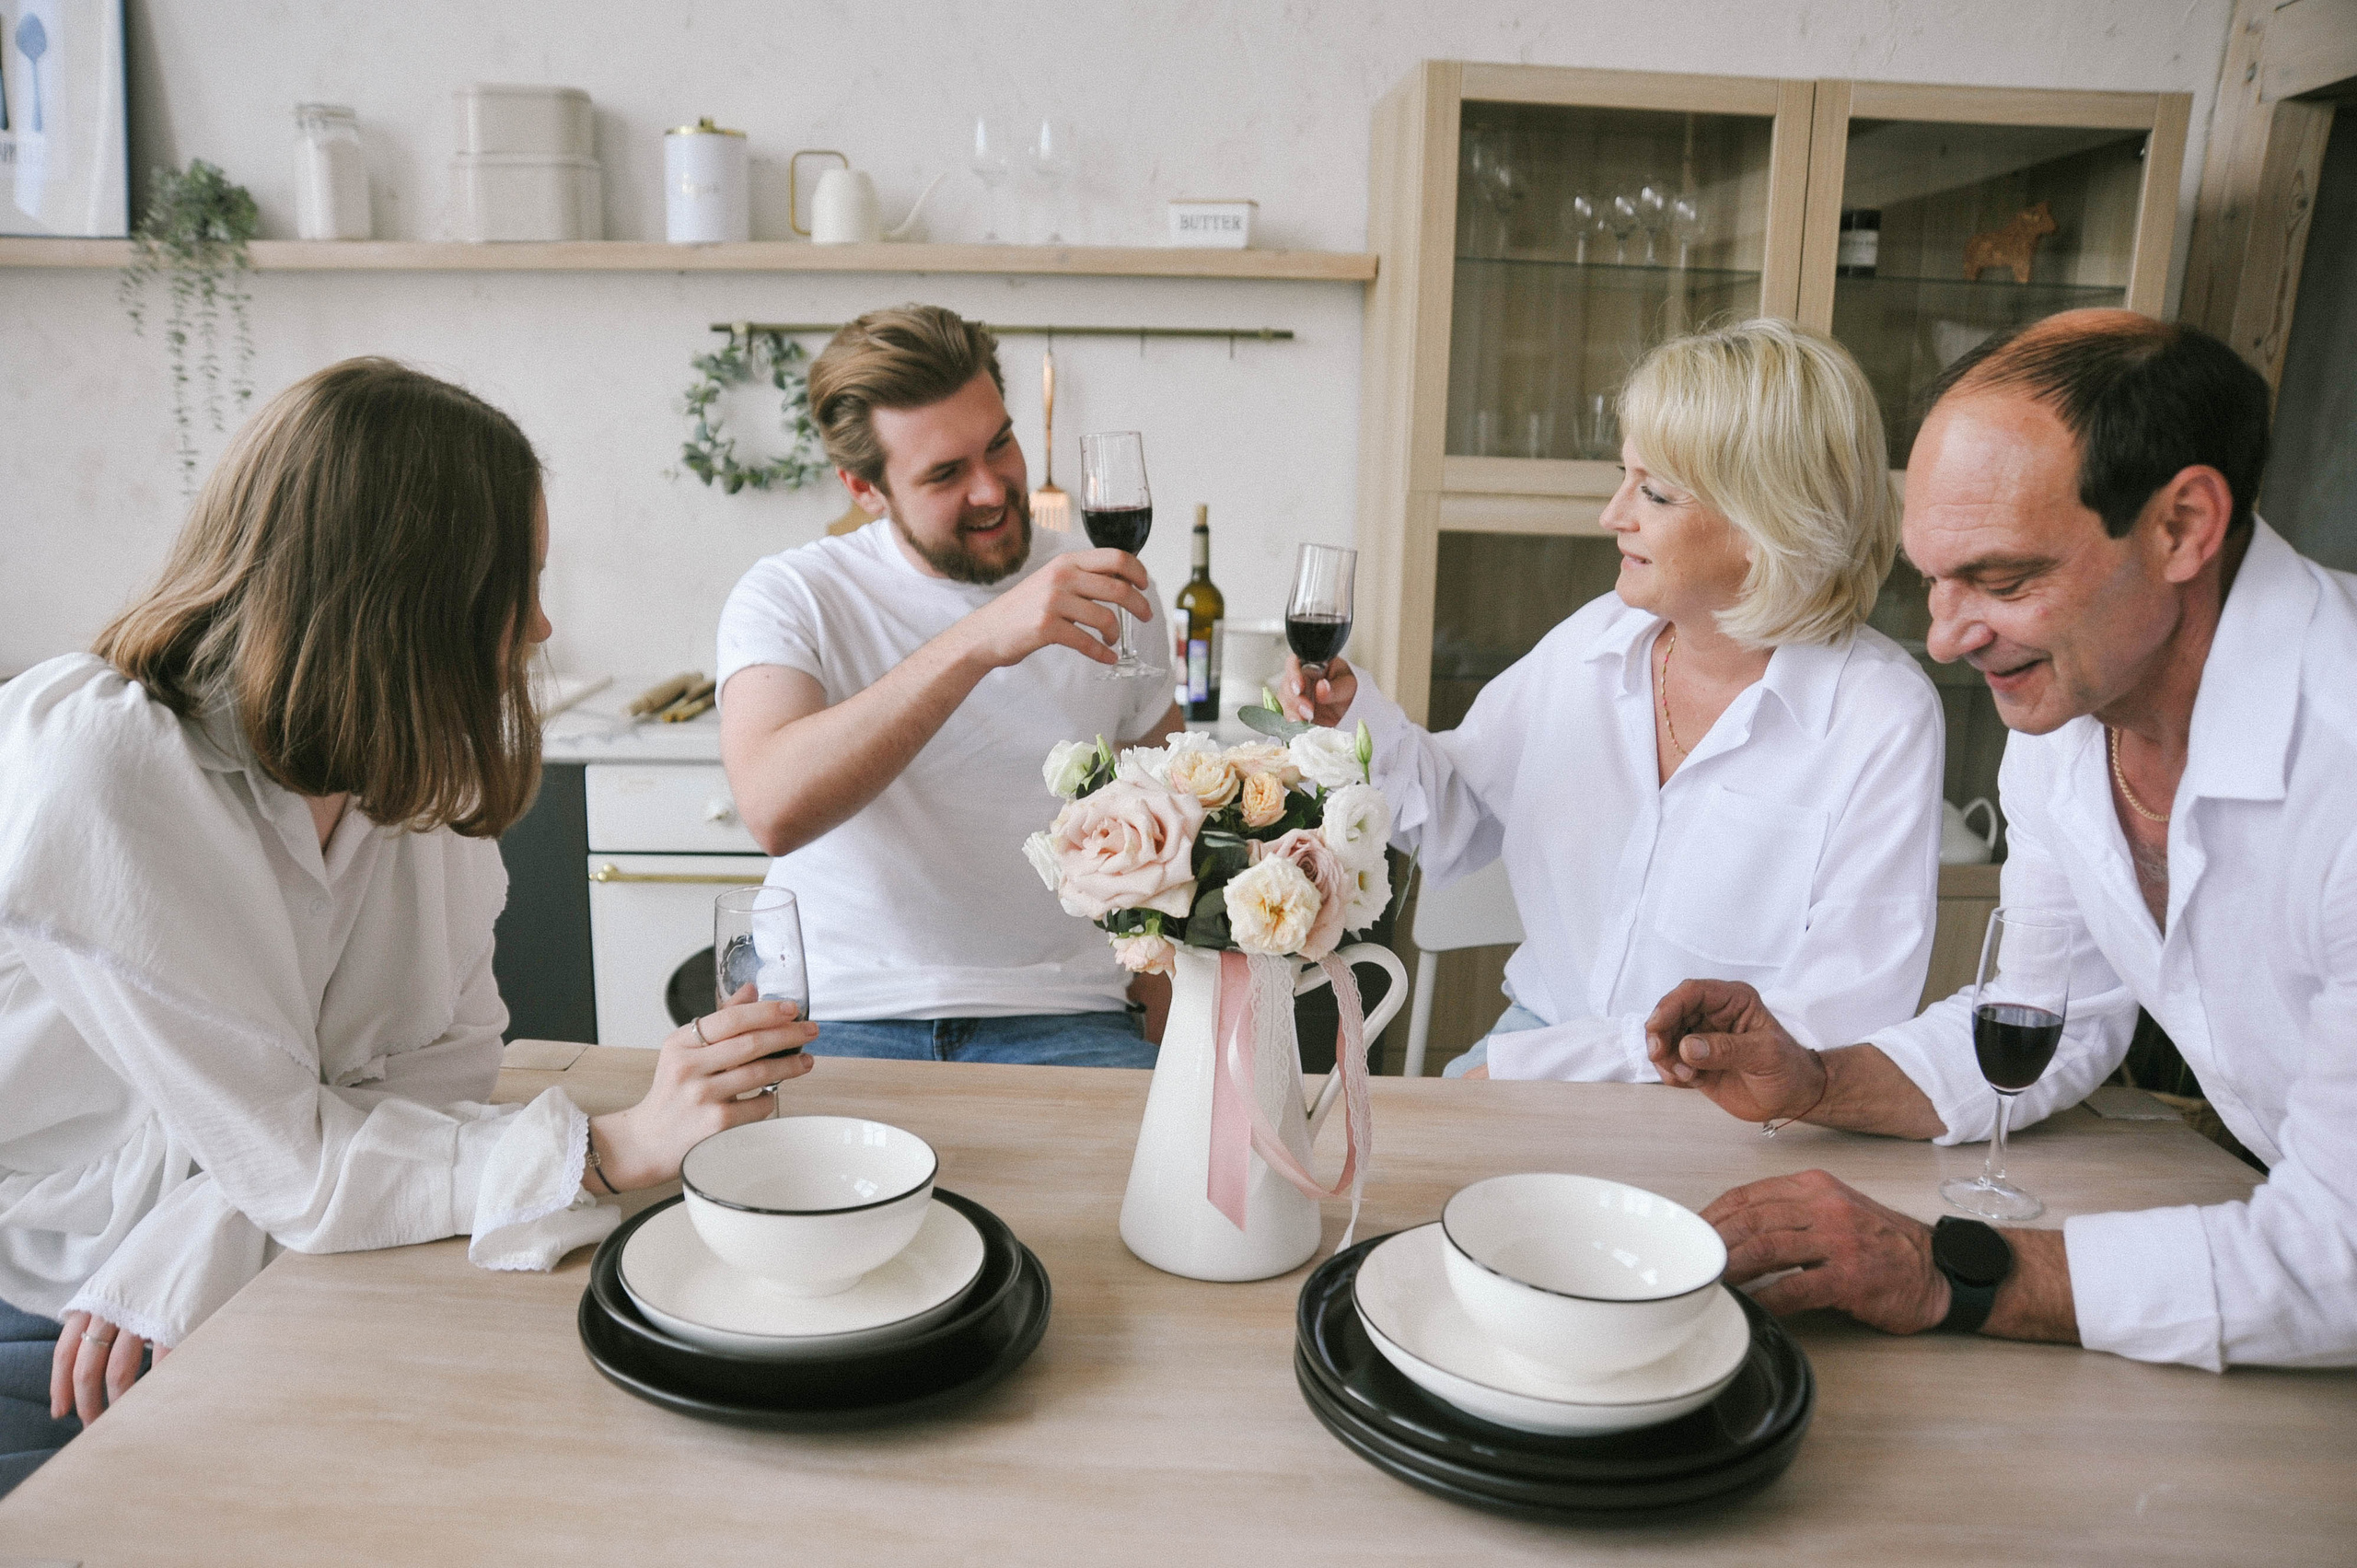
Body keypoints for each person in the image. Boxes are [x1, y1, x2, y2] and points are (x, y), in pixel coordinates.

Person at [0, 360, 817, 1495]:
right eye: (510, 585)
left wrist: (211, 1220)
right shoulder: (104, 769)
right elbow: (298, 1157)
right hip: (51, 1300)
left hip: (224, 1263)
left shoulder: (409, 774)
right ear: (393, 598)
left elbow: (433, 1076)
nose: (539, 624)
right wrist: (610, 1145)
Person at [1647, 310, 2357, 1372]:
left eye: (2003, 578)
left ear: (2182, 524)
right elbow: (2044, 1016)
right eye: (1932, 577)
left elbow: (2337, 1255)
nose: (1943, 635)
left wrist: (1953, 1267)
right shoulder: (2069, 725)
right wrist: (1815, 1079)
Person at [1283, 319, 1943, 1081]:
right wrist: (1355, 721)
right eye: (1623, 476)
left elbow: (1841, 1014)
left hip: (1735, 1099)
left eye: (1655, 492)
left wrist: (1539, 1067)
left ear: (1770, 525)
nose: (1612, 514)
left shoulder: (1881, 716)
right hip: (1542, 1040)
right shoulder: (1593, 643)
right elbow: (1456, 815)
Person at [718, 305, 1179, 1066]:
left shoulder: (1111, 588)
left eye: (1000, 445)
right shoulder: (791, 594)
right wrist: (979, 639)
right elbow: (773, 809)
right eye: (944, 474)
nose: (994, 489)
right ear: (864, 488)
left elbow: (1170, 838)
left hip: (1068, 1015)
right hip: (841, 1011)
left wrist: (1168, 1030)